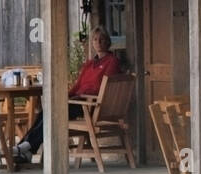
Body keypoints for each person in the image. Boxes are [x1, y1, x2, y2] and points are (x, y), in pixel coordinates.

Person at [14, 27, 121, 163]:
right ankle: (27, 149)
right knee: (47, 112)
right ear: (92, 43)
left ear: (108, 42)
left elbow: (105, 88)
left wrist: (82, 96)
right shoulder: (89, 64)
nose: (98, 42)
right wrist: (64, 97)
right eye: (95, 39)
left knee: (55, 113)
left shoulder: (112, 62)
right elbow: (77, 85)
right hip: (79, 101)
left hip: (92, 105)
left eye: (102, 39)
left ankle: (26, 147)